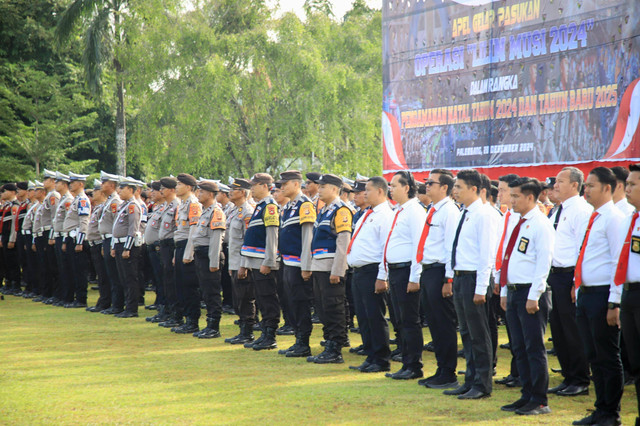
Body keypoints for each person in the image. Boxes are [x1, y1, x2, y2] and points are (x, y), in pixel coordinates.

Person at [572, 167, 625, 426]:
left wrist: (614, 301)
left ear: (608, 188)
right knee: (593, 354)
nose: (586, 189)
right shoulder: (593, 217)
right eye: (586, 185)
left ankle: (610, 413)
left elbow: (618, 261)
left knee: (606, 355)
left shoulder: (614, 218)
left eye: (591, 185)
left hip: (603, 294)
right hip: (587, 293)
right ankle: (599, 408)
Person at [498, 177, 554, 416]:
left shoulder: (540, 223)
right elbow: (510, 258)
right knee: (519, 347)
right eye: (510, 196)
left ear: (530, 197)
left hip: (531, 293)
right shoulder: (517, 222)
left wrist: (534, 295)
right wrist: (503, 290)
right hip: (514, 291)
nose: (511, 200)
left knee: (534, 347)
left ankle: (540, 400)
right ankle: (527, 394)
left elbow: (544, 261)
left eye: (516, 196)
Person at [444, 169, 496, 400]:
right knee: (466, 332)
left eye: (459, 187)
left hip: (475, 278)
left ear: (474, 189)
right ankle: (470, 380)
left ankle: (482, 384)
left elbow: (486, 255)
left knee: (478, 333)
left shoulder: (484, 214)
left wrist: (481, 288)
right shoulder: (465, 213)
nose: (454, 191)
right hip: (461, 276)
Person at [548, 167, 592, 397]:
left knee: (572, 330)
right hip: (555, 275)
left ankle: (580, 379)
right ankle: (568, 377)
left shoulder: (581, 210)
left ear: (575, 185)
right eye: (555, 181)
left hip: (569, 276)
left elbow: (581, 249)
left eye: (560, 181)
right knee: (559, 329)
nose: (555, 185)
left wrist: (577, 281)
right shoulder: (560, 210)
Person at [417, 169, 461, 388]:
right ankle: (441, 368)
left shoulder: (449, 211)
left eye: (431, 183)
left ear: (445, 187)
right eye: (427, 182)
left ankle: (448, 372)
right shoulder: (433, 209)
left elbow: (451, 247)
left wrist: (448, 279)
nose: (427, 186)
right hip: (428, 270)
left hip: (440, 271)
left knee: (444, 324)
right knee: (434, 323)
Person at [346, 177, 394, 372]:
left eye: (368, 190)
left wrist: (382, 276)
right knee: (364, 317)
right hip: (359, 271)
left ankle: (381, 359)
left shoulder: (385, 215)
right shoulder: (368, 213)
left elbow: (385, 248)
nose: (364, 193)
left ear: (380, 191)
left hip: (373, 271)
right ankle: (371, 356)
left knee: (375, 316)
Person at [383, 171, 427, 378]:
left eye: (393, 185)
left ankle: (414, 366)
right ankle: (406, 363)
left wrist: (414, 277)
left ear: (406, 188)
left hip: (406, 271)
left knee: (409, 320)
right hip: (395, 270)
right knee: (399, 320)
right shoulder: (399, 210)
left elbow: (419, 246)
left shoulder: (415, 211)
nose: (390, 189)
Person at [307, 173, 352, 364]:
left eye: (323, 186)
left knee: (334, 307)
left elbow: (343, 242)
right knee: (323, 307)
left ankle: (336, 349)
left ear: (334, 189)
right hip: (319, 265)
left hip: (331, 267)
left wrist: (338, 270)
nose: (319, 189)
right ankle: (330, 341)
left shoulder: (341, 209)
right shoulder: (325, 209)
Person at [239, 173, 281, 351]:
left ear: (264, 186)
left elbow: (272, 235)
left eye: (254, 185)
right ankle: (264, 333)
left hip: (264, 262)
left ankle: (270, 336)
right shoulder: (259, 206)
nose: (252, 189)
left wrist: (269, 261)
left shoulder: (270, 206)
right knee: (262, 300)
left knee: (268, 299)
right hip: (255, 262)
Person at [276, 170, 316, 357]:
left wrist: (306, 266)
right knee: (290, 302)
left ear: (295, 184)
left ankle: (303, 342)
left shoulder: (304, 205)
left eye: (285, 184)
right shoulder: (288, 206)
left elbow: (308, 238)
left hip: (298, 264)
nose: (281, 187)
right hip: (287, 262)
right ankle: (297, 339)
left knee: (300, 303)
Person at [183, 180, 226, 338]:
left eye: (201, 192)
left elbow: (216, 239)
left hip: (210, 256)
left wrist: (213, 263)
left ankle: (214, 327)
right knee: (206, 292)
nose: (198, 194)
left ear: (210, 194)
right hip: (201, 256)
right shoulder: (205, 211)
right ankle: (209, 325)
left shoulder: (216, 211)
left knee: (212, 293)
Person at [615, 163, 640, 424]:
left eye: (633, 185)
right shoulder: (630, 220)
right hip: (629, 294)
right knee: (635, 362)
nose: (628, 189)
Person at [494, 173, 522, 388]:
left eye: (504, 190)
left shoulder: (523, 217)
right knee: (512, 330)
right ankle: (515, 372)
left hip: (520, 280)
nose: (500, 194)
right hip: (505, 278)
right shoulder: (507, 215)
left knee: (522, 334)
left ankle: (521, 373)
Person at [224, 178, 257, 344]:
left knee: (245, 299)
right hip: (235, 261)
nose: (230, 192)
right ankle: (242, 331)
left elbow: (247, 241)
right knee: (238, 299)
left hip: (243, 263)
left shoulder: (247, 213)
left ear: (243, 193)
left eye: (234, 189)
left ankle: (247, 332)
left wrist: (244, 265)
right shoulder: (235, 211)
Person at [171, 173, 202, 334]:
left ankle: (192, 321)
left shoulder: (193, 204)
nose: (176, 187)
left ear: (188, 187)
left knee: (190, 286)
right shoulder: (182, 204)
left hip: (188, 247)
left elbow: (194, 230)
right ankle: (185, 318)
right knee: (181, 285)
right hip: (180, 246)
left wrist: (188, 253)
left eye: (179, 184)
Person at [110, 177, 142, 318]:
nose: (119, 191)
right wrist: (113, 245)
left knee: (130, 278)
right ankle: (126, 306)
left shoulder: (132, 206)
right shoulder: (124, 205)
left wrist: (127, 248)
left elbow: (133, 229)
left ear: (130, 190)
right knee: (123, 277)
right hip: (119, 243)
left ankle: (132, 308)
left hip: (126, 245)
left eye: (122, 188)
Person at [61, 172, 91, 308]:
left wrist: (79, 241)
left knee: (79, 271)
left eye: (73, 182)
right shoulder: (76, 199)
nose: (70, 185)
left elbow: (83, 221)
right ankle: (75, 297)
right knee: (73, 269)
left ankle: (81, 299)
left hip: (76, 239)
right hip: (71, 237)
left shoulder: (82, 200)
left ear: (81, 184)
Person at [156, 177, 182, 328]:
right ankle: (168, 311)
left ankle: (176, 314)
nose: (160, 191)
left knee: (172, 281)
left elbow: (177, 229)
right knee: (166, 280)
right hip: (164, 246)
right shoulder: (167, 206)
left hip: (171, 245)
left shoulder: (177, 205)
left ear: (172, 190)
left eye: (163, 188)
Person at [98, 171, 122, 315]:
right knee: (110, 274)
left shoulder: (115, 202)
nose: (101, 185)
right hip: (106, 240)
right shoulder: (109, 201)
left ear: (111, 185)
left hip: (112, 240)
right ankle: (112, 303)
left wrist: (112, 244)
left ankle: (117, 304)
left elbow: (116, 226)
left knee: (115, 275)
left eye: (104, 182)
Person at [144, 181, 168, 323]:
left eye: (155, 190)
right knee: (158, 280)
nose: (151, 193)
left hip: (161, 247)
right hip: (153, 247)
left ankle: (165, 308)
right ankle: (161, 306)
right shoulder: (158, 208)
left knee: (164, 280)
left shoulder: (168, 208)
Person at [86, 180, 110, 312]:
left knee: (104, 275)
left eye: (95, 191)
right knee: (101, 275)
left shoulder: (104, 206)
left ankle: (105, 301)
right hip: (95, 243)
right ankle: (103, 300)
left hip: (101, 243)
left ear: (101, 193)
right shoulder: (98, 207)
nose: (92, 193)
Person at [50, 172, 73, 307]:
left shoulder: (68, 200)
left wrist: (64, 239)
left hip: (64, 236)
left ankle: (68, 296)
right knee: (61, 268)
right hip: (59, 236)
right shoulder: (64, 199)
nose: (55, 184)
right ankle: (63, 296)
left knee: (66, 269)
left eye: (57, 182)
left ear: (64, 185)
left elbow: (67, 222)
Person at [216, 183, 235, 314]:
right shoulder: (226, 209)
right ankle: (228, 301)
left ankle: (231, 302)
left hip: (232, 246)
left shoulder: (232, 208)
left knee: (230, 278)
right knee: (225, 277)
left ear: (223, 194)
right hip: (226, 245)